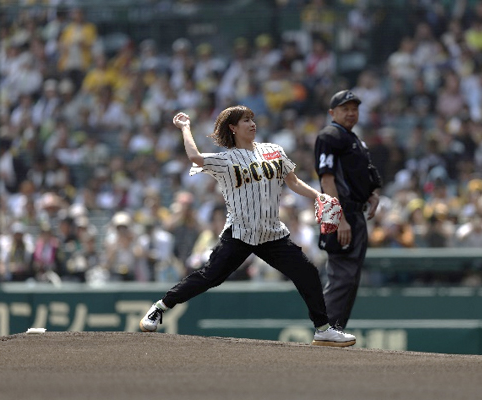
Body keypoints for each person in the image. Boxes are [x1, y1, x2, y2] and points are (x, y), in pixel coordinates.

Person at [139, 105, 356, 347]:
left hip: (272, 233)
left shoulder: (274, 151)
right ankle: (160, 306)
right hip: (240, 233)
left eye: (252, 119)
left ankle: (323, 329)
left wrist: (318, 195)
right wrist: (185, 127)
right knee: (209, 277)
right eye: (245, 120)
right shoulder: (226, 160)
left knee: (307, 272)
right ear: (232, 127)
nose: (252, 123)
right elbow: (195, 157)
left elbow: (292, 181)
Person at [314, 90, 382, 331]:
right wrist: (339, 218)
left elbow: (364, 174)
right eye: (345, 108)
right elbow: (327, 181)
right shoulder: (329, 135)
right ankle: (326, 330)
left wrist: (373, 193)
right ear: (332, 113)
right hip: (339, 213)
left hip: (355, 214)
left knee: (350, 278)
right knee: (341, 275)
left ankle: (336, 329)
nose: (351, 112)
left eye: (354, 108)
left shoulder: (354, 139)